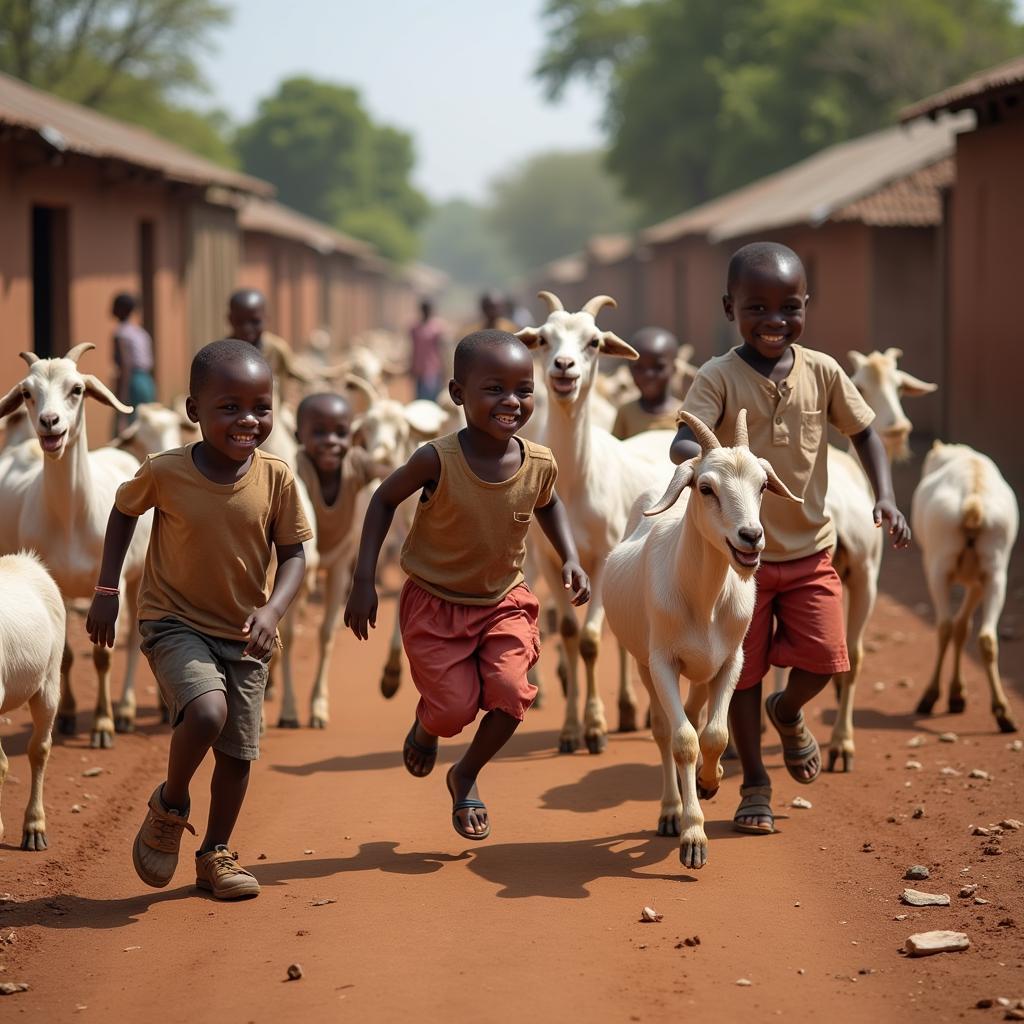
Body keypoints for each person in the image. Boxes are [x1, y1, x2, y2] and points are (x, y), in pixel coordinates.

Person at [669, 241, 910, 836]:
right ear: (731, 308)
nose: (774, 321)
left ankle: (790, 708)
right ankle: (754, 782)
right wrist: (690, 453)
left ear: (807, 306)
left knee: (827, 658)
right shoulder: (718, 376)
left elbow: (866, 434)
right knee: (740, 675)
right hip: (736, 564)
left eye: (789, 307)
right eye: (757, 308)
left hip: (809, 550)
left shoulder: (824, 371)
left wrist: (885, 494)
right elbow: (685, 437)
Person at [86, 339, 312, 899]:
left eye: (261, 406)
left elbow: (295, 555)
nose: (247, 420)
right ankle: (171, 802)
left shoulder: (277, 478)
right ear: (194, 411)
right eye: (229, 407)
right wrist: (107, 588)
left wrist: (273, 608)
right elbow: (122, 510)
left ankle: (215, 853)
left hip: (245, 633)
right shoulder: (166, 471)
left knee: (238, 754)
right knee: (207, 713)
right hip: (174, 622)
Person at [344, 330, 590, 841]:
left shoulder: (538, 461)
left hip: (503, 601)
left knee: (510, 692)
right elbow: (383, 500)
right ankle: (428, 727)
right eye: (494, 389)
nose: (511, 402)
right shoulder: (437, 459)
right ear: (458, 394)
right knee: (453, 709)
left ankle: (466, 773)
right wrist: (364, 578)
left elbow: (548, 503)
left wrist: (571, 557)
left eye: (524, 390)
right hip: (435, 604)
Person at [611, 327, 683, 439]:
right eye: (639, 367)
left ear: (674, 369)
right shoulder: (626, 413)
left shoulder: (685, 415)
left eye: (658, 367)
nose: (648, 375)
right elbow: (616, 451)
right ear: (629, 369)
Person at [111, 293, 156, 431]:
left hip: (133, 383)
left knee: (129, 430)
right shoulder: (141, 332)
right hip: (147, 382)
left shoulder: (121, 333)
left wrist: (121, 401)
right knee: (147, 427)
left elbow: (126, 365)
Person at [409, 299, 447, 402]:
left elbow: (442, 349)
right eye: (424, 309)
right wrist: (411, 365)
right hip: (418, 369)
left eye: (428, 309)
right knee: (419, 399)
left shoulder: (437, 327)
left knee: (432, 398)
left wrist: (444, 369)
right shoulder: (414, 328)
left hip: (433, 369)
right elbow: (412, 348)